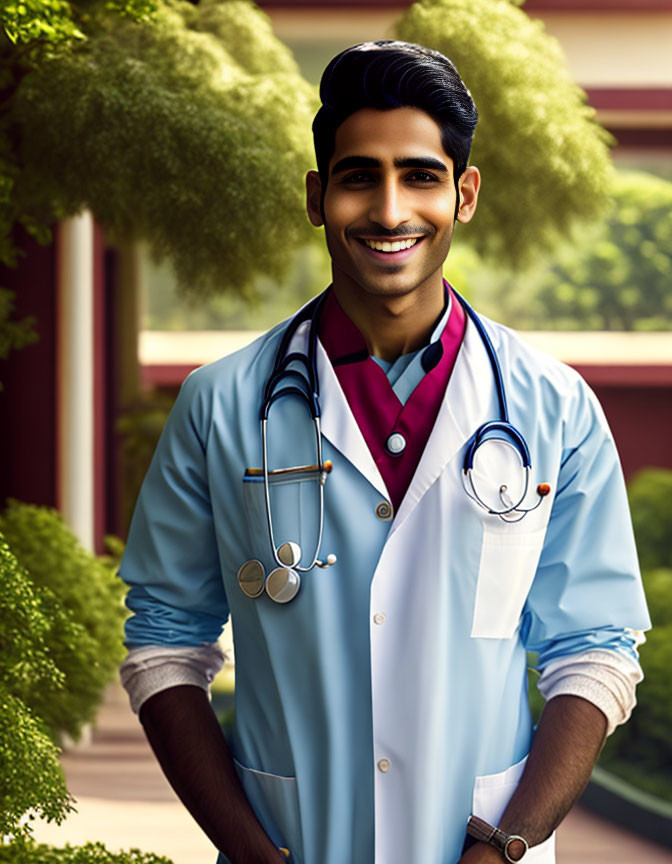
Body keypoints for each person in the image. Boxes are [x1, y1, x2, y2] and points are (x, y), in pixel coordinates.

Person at [118, 41, 651, 864]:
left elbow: (596, 651)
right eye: (359, 176)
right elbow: (163, 645)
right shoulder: (220, 404)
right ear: (316, 195)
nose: (390, 210)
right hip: (294, 842)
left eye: (422, 176)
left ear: (464, 195)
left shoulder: (554, 407)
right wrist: (253, 853)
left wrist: (508, 842)